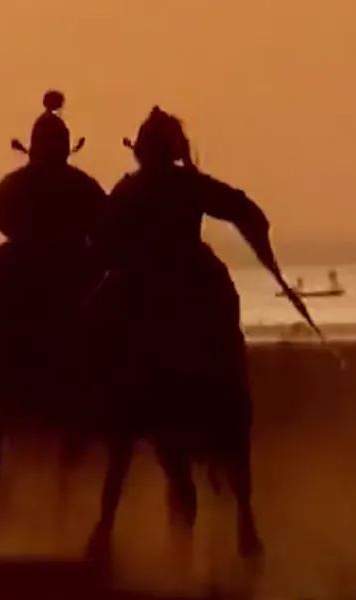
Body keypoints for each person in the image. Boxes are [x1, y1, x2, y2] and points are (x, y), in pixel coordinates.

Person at [87, 106, 313, 558]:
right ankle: (242, 517)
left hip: (147, 291)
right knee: (226, 370)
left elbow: (103, 245)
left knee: (116, 394)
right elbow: (247, 210)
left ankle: (107, 525)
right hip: (192, 284)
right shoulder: (186, 185)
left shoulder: (132, 191)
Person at [0, 91, 107, 406]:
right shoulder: (83, 185)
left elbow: (4, 217)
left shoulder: (18, 185)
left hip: (26, 260)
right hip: (71, 263)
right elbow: (103, 228)